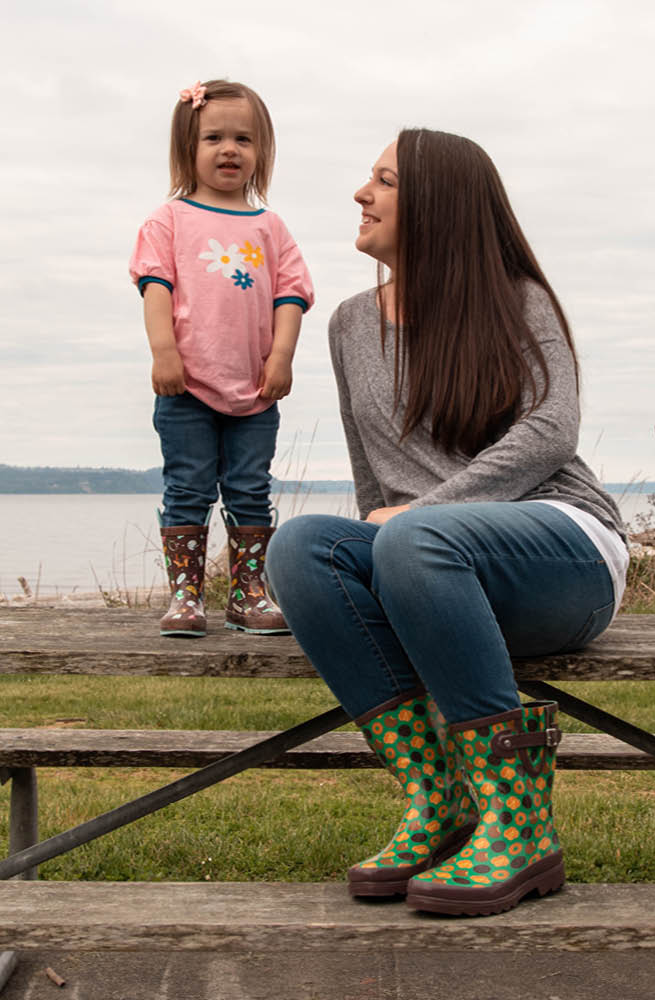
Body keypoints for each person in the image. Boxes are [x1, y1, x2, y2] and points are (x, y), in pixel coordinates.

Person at [266, 129, 628, 917]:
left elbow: (551, 433)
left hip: (562, 551)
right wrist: (397, 532)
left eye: (385, 180)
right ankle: (439, 801)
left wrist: (419, 521)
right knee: (299, 547)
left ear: (439, 204)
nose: (362, 194)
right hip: (427, 568)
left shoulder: (515, 299)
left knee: (410, 536)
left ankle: (519, 825)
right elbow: (374, 477)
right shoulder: (349, 325)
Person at [129, 79, 313, 638]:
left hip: (254, 390)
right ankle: (186, 595)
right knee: (187, 486)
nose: (229, 149)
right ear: (189, 147)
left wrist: (281, 358)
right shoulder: (169, 220)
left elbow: (291, 295)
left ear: (263, 151)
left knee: (249, 487)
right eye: (213, 137)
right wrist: (164, 353)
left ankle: (248, 593)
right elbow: (156, 287)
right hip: (185, 387)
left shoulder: (269, 226)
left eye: (243, 139)